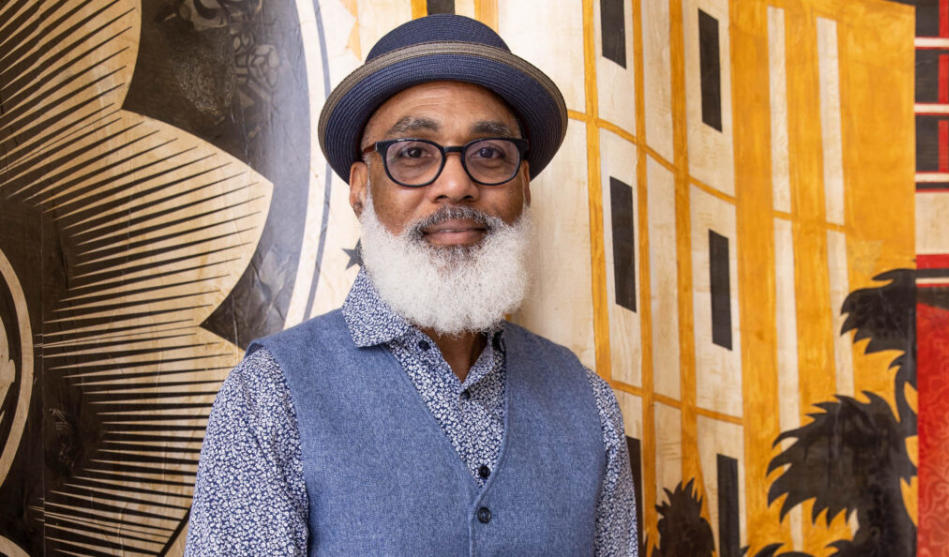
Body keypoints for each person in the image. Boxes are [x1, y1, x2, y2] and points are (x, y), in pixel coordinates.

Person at [185, 14, 637, 556]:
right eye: (414, 153)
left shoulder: (589, 404)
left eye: (490, 153)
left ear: (524, 185)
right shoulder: (269, 396)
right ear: (360, 188)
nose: (456, 184)